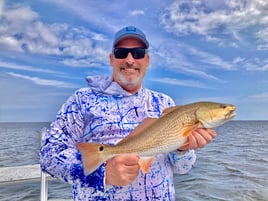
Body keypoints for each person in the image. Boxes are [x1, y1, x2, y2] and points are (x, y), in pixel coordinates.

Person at [40, 25, 216, 201]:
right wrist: (103, 175)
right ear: (111, 58)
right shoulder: (82, 99)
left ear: (147, 60)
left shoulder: (164, 103)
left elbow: (182, 168)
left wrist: (182, 149)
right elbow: (49, 154)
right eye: (121, 52)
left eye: (138, 53)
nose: (130, 60)